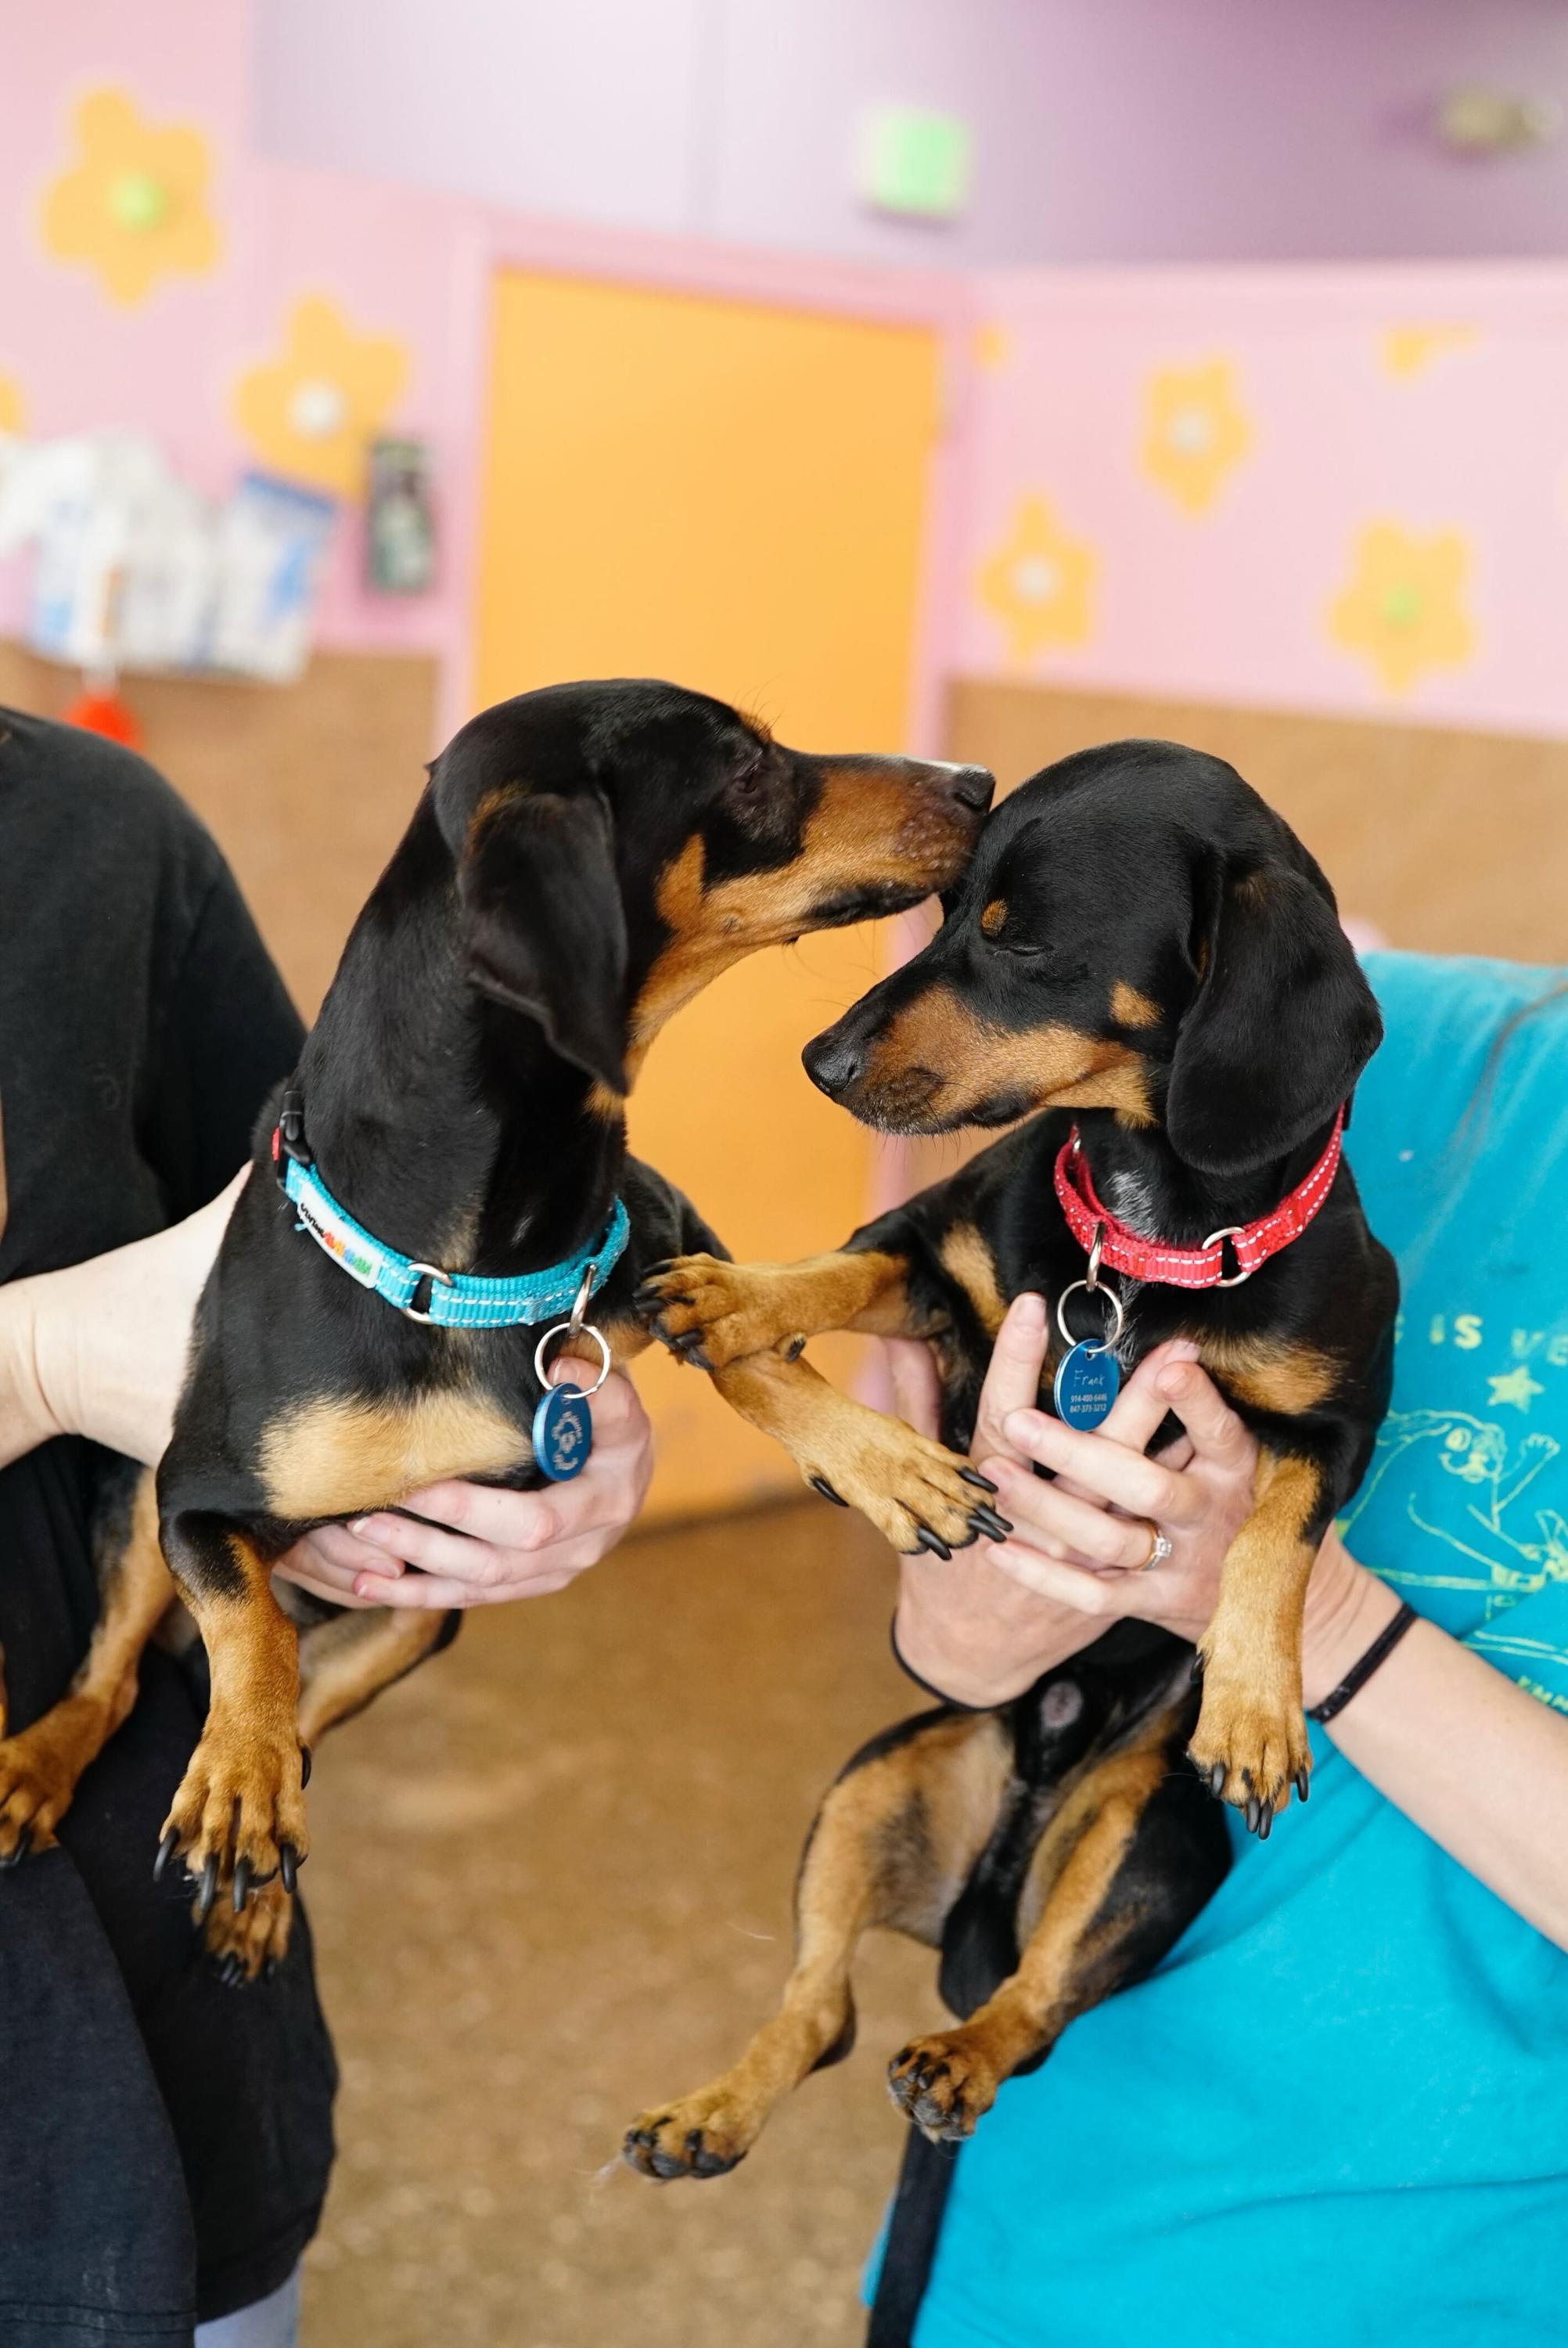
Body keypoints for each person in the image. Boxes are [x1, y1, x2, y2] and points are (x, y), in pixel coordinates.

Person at [0, 708, 653, 2348]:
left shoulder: (99, 832)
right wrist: (44, 1359)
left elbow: (328, 1254)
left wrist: (565, 1424)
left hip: (159, 1956)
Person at [884, 951, 1568, 2347]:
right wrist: (982, 1583)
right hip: (1046, 2212)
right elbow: (954, 1644)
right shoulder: (1395, 1037)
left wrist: (1307, 1612)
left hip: (1457, 2286)